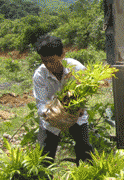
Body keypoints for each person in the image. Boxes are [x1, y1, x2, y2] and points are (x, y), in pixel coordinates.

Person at [32, 35, 93, 166]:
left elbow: (83, 94)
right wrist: (52, 113)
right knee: (44, 157)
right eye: (44, 61)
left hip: (75, 115)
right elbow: (41, 103)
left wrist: (79, 109)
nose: (48, 65)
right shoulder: (39, 75)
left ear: (62, 54)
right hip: (51, 119)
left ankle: (87, 177)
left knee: (85, 150)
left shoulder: (77, 69)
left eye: (52, 61)